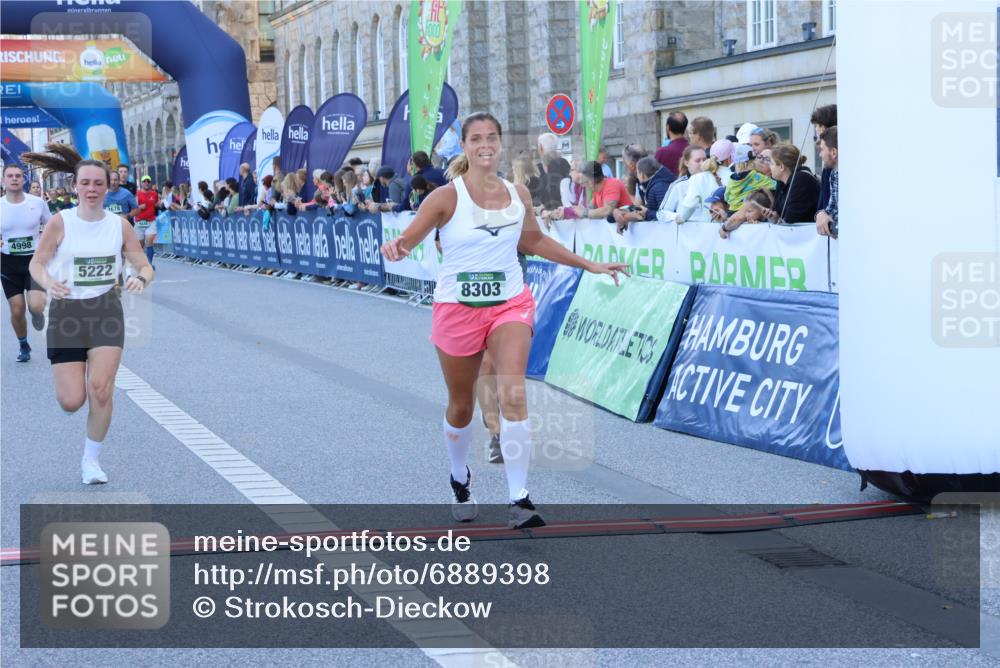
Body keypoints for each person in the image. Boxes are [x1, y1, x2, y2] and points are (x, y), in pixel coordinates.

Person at [380, 112, 628, 529]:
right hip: (457, 308)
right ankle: (459, 478)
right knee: (461, 405)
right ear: (465, 146)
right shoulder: (444, 198)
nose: (485, 145)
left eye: (491, 137)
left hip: (510, 304)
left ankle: (519, 498)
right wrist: (398, 246)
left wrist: (589, 264)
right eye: (476, 138)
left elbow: (534, 241)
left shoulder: (518, 194)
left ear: (500, 143)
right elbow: (410, 239)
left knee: (512, 394)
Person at [23, 144, 153, 484]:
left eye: (98, 183)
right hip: (67, 313)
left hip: (105, 310)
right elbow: (36, 264)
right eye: (85, 183)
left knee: (101, 390)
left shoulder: (120, 226)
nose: (92, 189)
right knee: (71, 401)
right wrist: (49, 283)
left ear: (108, 186)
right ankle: (72, 404)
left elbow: (144, 266)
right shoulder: (60, 222)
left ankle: (91, 461)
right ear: (75, 186)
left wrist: (140, 278)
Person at [1, 163, 51, 361]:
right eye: (10, 176)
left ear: (24, 180)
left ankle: (37, 313)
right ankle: (23, 344)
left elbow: (52, 226)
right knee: (17, 309)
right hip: (8, 263)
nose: (14, 179)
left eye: (18, 176)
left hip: (34, 261)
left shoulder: (37, 203)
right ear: (3, 180)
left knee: (36, 306)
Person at [613, 156, 672, 231]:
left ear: (642, 175)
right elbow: (641, 208)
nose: (637, 176)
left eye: (637, 173)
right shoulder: (652, 186)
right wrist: (620, 213)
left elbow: (668, 215)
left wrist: (646, 213)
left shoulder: (658, 187)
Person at [768, 144, 820, 223]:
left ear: (781, 167)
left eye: (771, 163)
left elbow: (791, 217)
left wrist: (779, 218)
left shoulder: (801, 179)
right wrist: (774, 217)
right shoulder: (781, 182)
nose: (769, 166)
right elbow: (778, 212)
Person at [656, 146, 706, 222]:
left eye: (704, 160)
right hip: (687, 229)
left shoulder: (715, 181)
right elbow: (661, 214)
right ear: (686, 163)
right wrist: (679, 216)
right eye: (697, 160)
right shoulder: (679, 185)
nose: (702, 164)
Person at [811, 104, 838, 211]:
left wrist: (821, 214)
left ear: (823, 127)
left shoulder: (832, 168)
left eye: (817, 125)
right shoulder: (830, 168)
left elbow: (827, 206)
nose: (816, 130)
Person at [815, 126, 838, 238]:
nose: (820, 155)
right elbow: (830, 209)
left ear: (833, 152)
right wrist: (820, 214)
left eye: (822, 149)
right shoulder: (833, 174)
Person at [134, 175, 159, 266]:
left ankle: (149, 264)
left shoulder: (154, 194)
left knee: (149, 242)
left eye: (148, 181)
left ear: (150, 183)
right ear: (141, 183)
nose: (146, 183)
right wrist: (139, 207)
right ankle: (141, 263)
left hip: (151, 221)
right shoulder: (137, 194)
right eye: (144, 181)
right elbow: (133, 207)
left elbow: (157, 203)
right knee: (140, 245)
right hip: (139, 221)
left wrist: (160, 204)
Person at [654, 111, 689, 175]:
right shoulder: (692, 149)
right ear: (685, 129)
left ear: (668, 128)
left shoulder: (662, 152)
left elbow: (654, 175)